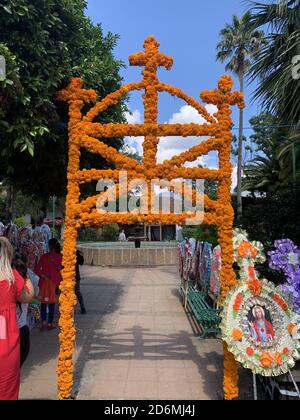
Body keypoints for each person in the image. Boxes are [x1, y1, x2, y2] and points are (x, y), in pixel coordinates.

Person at [0, 237, 34, 400]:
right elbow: (28, 297)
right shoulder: (12, 278)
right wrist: (26, 277)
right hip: (6, 346)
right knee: (7, 391)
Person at [35, 238, 62, 331]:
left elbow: (37, 269)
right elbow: (62, 270)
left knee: (43, 302)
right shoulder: (60, 257)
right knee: (52, 303)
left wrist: (44, 276)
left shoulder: (44, 256)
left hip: (43, 283)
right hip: (55, 284)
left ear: (50, 246)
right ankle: (50, 323)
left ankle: (43, 323)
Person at [75, 250, 86, 314]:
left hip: (75, 277)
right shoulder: (66, 255)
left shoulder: (76, 256)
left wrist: (79, 255)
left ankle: (83, 307)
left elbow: (81, 263)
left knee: (77, 292)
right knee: (77, 292)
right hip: (73, 277)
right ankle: (82, 307)